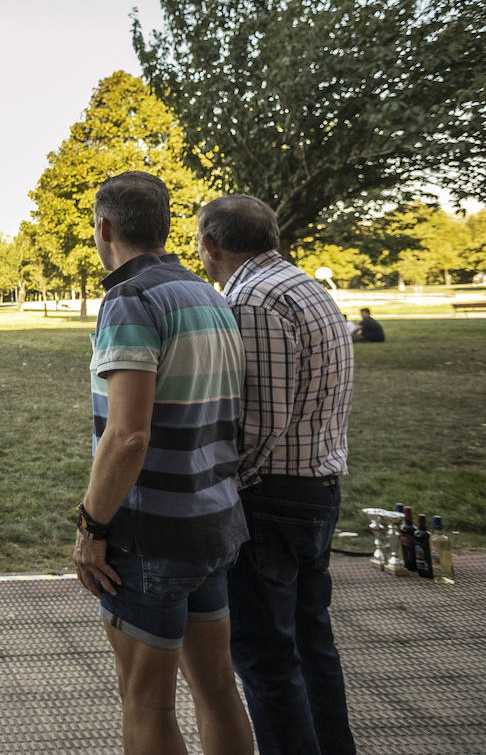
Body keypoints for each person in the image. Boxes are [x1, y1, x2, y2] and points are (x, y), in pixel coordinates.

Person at [74, 172, 252, 755]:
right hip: (213, 521)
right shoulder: (207, 295)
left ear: (104, 228)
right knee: (219, 689)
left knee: (145, 703)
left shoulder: (130, 299)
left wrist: (91, 527)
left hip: (150, 536)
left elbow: (127, 436)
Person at [197, 194, 357, 755]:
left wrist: (223, 485)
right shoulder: (306, 287)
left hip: (273, 500)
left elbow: (259, 424)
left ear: (211, 244)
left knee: (267, 660)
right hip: (317, 486)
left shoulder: (252, 300)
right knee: (312, 645)